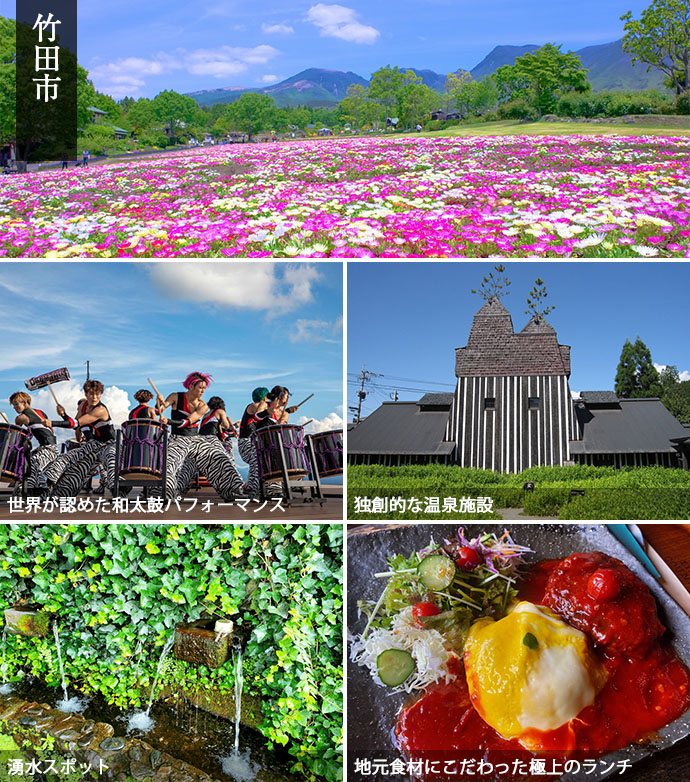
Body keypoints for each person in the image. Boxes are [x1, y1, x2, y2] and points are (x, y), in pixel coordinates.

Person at [155, 372, 244, 500]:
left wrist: (168, 421)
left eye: (204, 388)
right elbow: (159, 411)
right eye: (200, 387)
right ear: (191, 386)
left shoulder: (202, 405)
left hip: (196, 440)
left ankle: (232, 490)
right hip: (177, 439)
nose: (202, 391)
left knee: (220, 458)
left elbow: (188, 421)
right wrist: (159, 403)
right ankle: (164, 493)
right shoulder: (175, 396)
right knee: (168, 464)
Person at [45, 380, 116, 496]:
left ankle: (119, 490)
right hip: (93, 445)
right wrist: (63, 415)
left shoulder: (100, 410)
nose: (94, 397)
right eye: (91, 394)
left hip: (109, 444)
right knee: (64, 459)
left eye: (97, 394)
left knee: (111, 470)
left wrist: (52, 423)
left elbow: (77, 423)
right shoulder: (83, 406)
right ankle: (49, 488)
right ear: (86, 394)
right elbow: (76, 426)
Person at [9, 391, 64, 493]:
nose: (15, 407)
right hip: (51, 447)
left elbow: (16, 434)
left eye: (16, 404)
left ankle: (40, 490)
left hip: (48, 449)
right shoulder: (40, 412)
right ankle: (25, 485)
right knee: (24, 461)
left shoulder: (21, 417)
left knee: (30, 466)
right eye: (13, 405)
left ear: (25, 403)